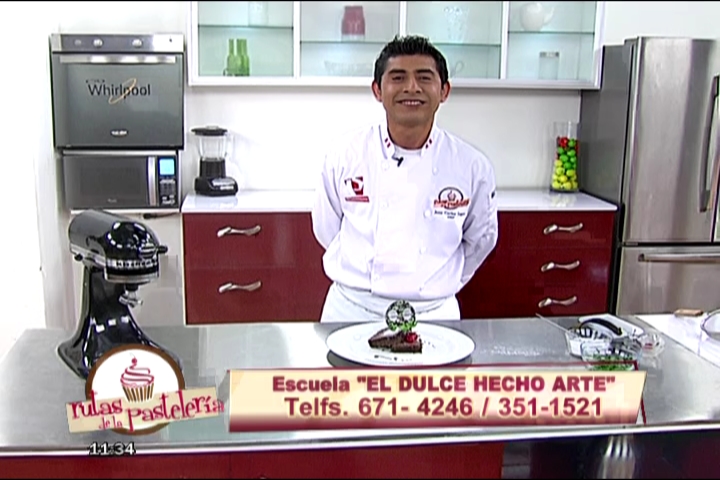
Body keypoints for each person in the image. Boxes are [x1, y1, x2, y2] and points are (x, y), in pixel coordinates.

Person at [311, 35, 499, 323]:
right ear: (377, 90)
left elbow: (481, 241)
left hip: (434, 313)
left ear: (444, 91)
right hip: (352, 309)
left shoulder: (472, 167)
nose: (412, 87)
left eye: (424, 77)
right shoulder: (344, 156)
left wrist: (437, 282)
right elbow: (327, 229)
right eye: (398, 77)